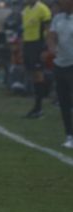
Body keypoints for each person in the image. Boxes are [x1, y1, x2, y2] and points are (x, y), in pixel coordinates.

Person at [47, 0, 73, 148]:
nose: (59, 3)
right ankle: (69, 135)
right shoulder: (58, 18)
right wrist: (52, 48)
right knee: (64, 101)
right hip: (60, 64)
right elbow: (51, 35)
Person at [21, 0, 52, 118]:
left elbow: (48, 29)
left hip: (38, 45)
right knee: (34, 75)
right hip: (28, 45)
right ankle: (36, 106)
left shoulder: (43, 9)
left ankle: (39, 108)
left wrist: (46, 47)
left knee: (39, 74)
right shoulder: (25, 11)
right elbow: (26, 30)